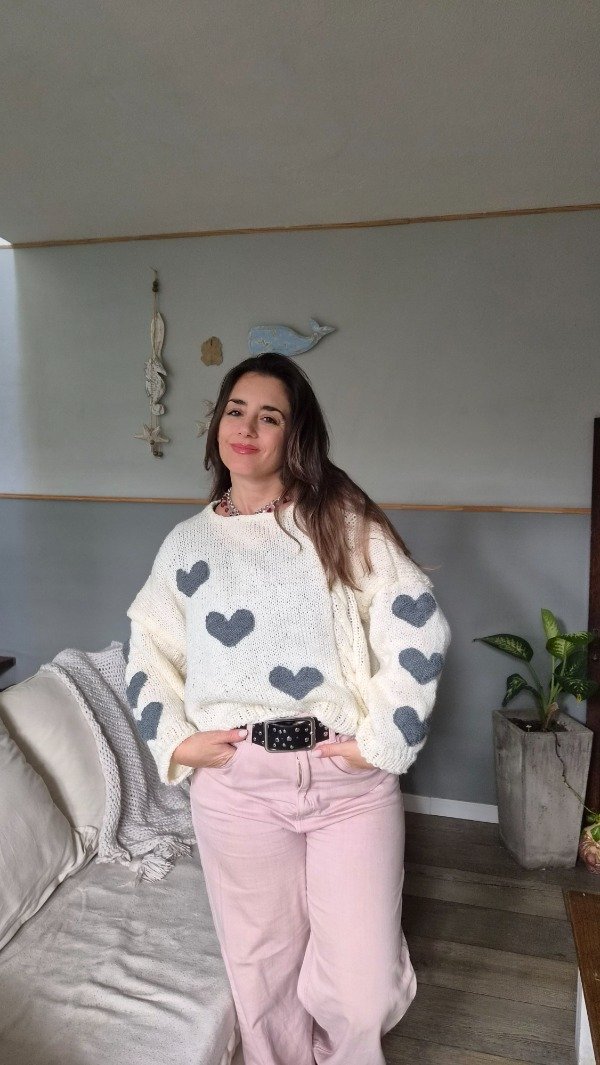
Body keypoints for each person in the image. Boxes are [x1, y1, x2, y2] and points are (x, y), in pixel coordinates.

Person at [124, 352, 450, 1065]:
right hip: (238, 787)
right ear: (216, 425)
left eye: (269, 416)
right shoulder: (186, 546)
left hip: (346, 784)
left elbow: (415, 622)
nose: (247, 428)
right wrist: (175, 741)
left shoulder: (339, 522)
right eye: (235, 410)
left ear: (294, 434)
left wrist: (384, 740)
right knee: (261, 977)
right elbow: (148, 650)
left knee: (363, 988)